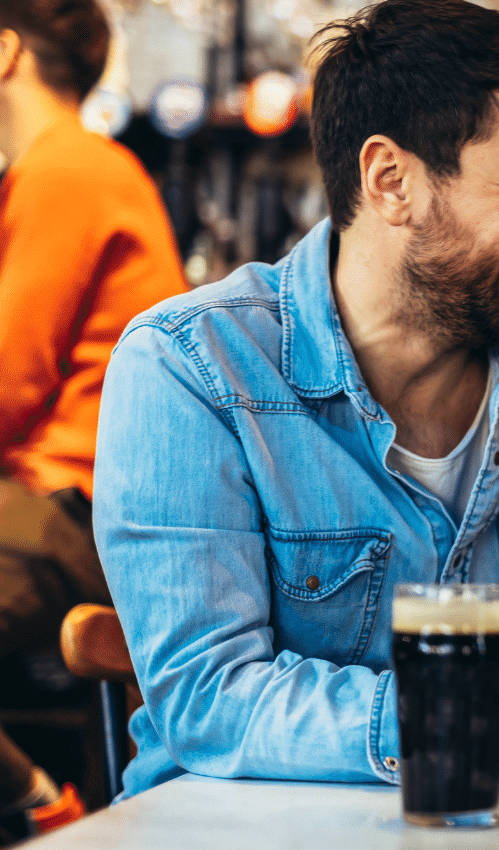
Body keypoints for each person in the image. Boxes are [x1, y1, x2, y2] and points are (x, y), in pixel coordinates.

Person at [92, 0, 499, 801]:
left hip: (472, 822)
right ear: (392, 181)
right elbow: (209, 701)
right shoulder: (194, 369)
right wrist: (476, 721)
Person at [0, 0, 186, 835]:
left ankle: (39, 808)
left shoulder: (67, 167)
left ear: (4, 51)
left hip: (76, 513)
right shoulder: (69, 168)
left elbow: (9, 378)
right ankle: (34, 802)